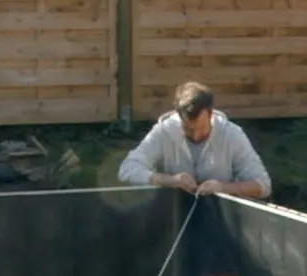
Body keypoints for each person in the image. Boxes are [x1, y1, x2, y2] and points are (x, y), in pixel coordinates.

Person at [117, 81, 273, 199]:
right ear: (178, 116)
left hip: (222, 222)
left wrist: (223, 188)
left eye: (200, 128)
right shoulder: (164, 131)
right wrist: (171, 180)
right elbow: (127, 170)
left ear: (211, 115)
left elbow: (263, 185)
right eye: (188, 129)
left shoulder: (232, 134)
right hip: (171, 219)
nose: (196, 135)